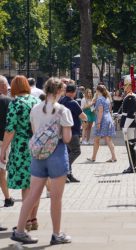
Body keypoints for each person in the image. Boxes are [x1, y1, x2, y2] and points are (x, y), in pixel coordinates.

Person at [10, 77, 73, 245]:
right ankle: (56, 234)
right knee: (56, 198)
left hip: (37, 155)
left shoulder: (35, 109)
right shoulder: (62, 110)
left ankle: (20, 230)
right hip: (57, 155)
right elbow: (66, 138)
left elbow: (34, 132)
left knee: (32, 195)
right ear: (59, 91)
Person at [0, 75, 40, 231]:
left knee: (26, 186)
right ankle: (34, 218)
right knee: (36, 184)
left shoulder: (16, 103)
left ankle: (27, 222)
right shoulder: (36, 101)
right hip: (37, 146)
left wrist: (3, 150)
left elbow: (10, 130)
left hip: (22, 147)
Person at [59, 84, 87, 183]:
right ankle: (64, 170)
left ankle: (69, 174)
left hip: (62, 131)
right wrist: (85, 120)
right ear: (74, 92)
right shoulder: (73, 103)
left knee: (68, 152)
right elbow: (83, 116)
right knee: (76, 151)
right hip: (73, 131)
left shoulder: (61, 101)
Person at [87, 85, 117, 162]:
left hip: (102, 119)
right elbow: (109, 109)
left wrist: (99, 122)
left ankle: (94, 157)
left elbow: (100, 111)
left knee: (98, 139)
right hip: (108, 118)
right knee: (107, 139)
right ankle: (113, 156)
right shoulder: (106, 98)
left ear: (97, 91)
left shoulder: (100, 99)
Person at [0, 75, 14, 207]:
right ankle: (7, 198)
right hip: (2, 141)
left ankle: (7, 197)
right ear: (3, 86)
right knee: (1, 170)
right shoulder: (8, 101)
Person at [121, 77, 136, 174]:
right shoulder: (131, 96)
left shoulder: (131, 97)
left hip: (129, 125)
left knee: (130, 146)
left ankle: (132, 167)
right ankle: (132, 166)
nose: (124, 87)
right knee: (130, 146)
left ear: (129, 86)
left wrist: (126, 127)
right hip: (129, 124)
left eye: (125, 85)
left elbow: (131, 113)